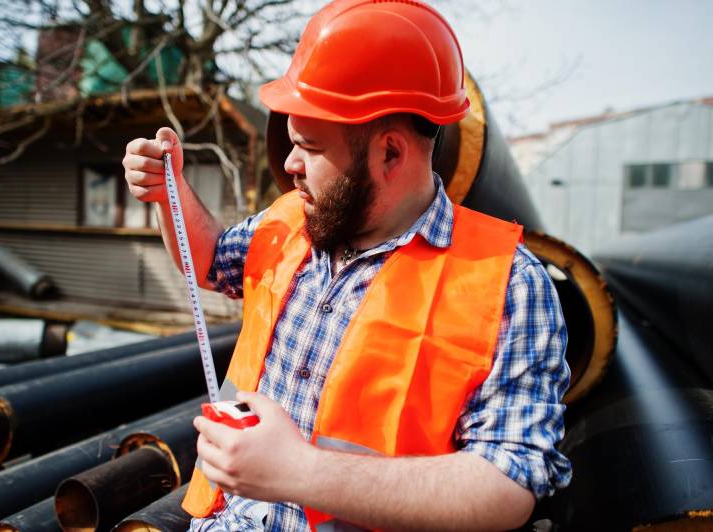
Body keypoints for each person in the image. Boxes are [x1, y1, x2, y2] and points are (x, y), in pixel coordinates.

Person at [122, 0, 571, 529]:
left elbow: (508, 484)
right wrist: (170, 194)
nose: (288, 165)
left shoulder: (508, 285)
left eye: (308, 147)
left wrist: (301, 472)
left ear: (390, 154)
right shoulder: (292, 219)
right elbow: (211, 263)